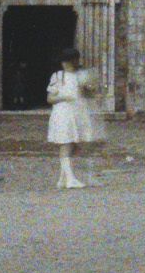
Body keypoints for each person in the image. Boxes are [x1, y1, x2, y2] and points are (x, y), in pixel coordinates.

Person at [45, 47, 104, 189]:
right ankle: (70, 179)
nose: (67, 64)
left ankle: (63, 178)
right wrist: (64, 97)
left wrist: (90, 91)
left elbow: (89, 95)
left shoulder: (81, 76)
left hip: (77, 114)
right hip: (63, 114)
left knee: (73, 145)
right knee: (66, 144)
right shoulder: (58, 76)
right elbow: (50, 98)